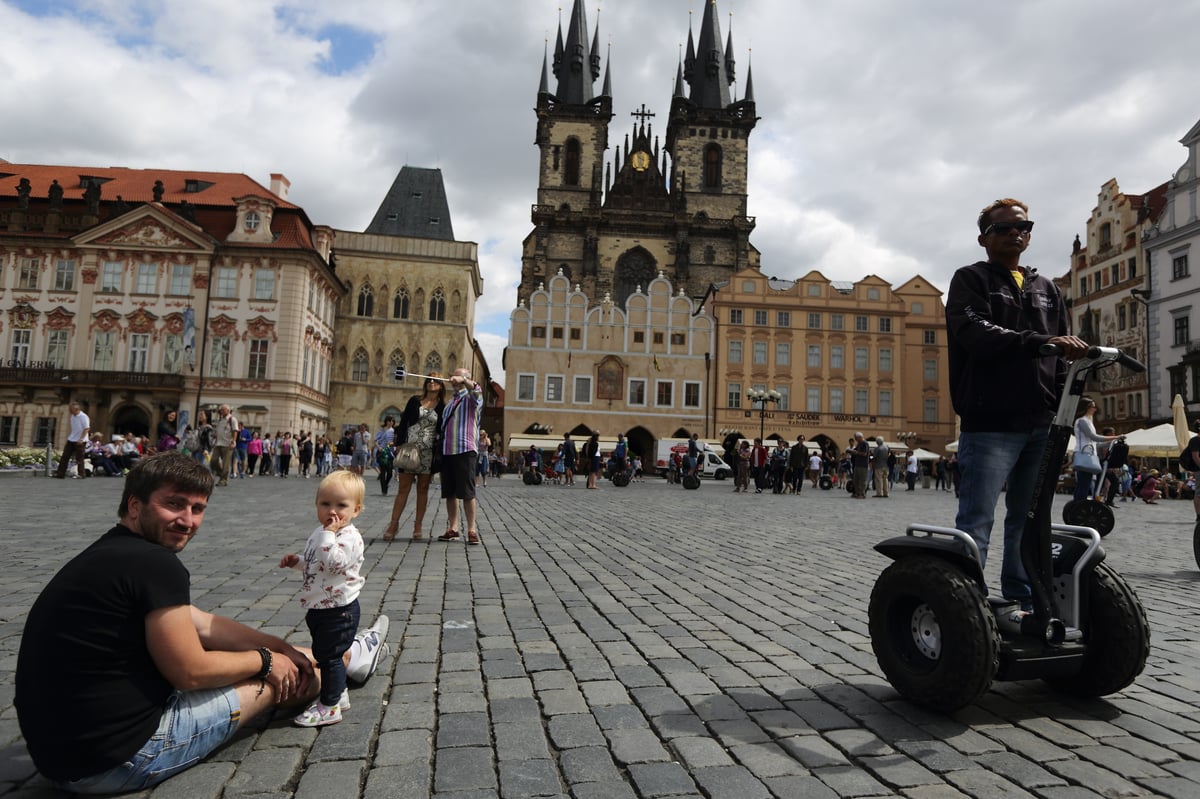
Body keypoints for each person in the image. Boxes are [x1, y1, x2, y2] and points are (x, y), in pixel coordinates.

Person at [15, 453, 392, 792]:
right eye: (174, 505)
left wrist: (279, 647)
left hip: (58, 757)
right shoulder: (154, 564)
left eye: (197, 508)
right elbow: (190, 673)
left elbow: (203, 624)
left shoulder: (110, 552)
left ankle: (346, 656)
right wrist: (268, 661)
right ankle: (344, 663)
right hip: (119, 760)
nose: (187, 520)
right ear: (134, 505)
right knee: (277, 678)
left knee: (276, 659)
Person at [945, 197, 1088, 612]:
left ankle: (1022, 599)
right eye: (1004, 228)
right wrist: (1039, 343)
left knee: (1029, 519)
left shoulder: (1047, 289)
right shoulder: (970, 279)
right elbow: (975, 333)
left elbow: (1065, 351)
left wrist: (1067, 401)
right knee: (977, 519)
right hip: (990, 419)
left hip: (1042, 421)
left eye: (1024, 227)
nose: (1016, 233)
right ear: (983, 238)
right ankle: (966, 601)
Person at [278, 472, 369, 727]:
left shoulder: (348, 537)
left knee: (329, 657)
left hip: (339, 610)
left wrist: (328, 535)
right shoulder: (321, 532)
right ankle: (338, 694)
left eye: (341, 506)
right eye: (325, 504)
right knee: (326, 653)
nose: (332, 512)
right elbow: (318, 564)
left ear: (356, 510)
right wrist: (298, 562)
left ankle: (329, 706)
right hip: (321, 606)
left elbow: (335, 564)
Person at [437, 369, 484, 545]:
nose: (454, 380)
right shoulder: (450, 403)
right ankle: (453, 528)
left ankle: (472, 530)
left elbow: (478, 390)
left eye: (459, 377)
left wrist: (463, 379)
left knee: (467, 493)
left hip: (465, 449)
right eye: (454, 377)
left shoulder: (471, 398)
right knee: (450, 493)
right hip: (448, 451)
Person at [1072, 398, 1120, 502]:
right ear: (1087, 408)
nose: (1095, 409)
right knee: (1083, 483)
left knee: (1085, 482)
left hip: (1088, 454)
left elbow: (1096, 444)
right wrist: (1115, 437)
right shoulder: (1082, 421)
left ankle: (1079, 504)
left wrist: (1111, 442)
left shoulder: (1088, 421)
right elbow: (1093, 437)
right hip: (1083, 453)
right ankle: (1079, 504)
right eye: (1093, 407)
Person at [53, 400, 91, 479]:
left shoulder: (83, 416)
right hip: (72, 438)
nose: (70, 411)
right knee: (65, 456)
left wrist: (81, 439)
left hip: (80, 440)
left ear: (76, 409)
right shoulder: (72, 416)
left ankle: (81, 474)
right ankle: (60, 473)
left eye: (71, 409)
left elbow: (86, 428)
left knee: (79, 458)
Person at [209, 404, 238, 487]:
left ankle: (223, 480)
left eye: (223, 410)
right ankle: (221, 473)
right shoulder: (220, 419)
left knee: (225, 463)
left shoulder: (232, 419)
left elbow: (235, 431)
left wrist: (233, 441)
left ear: (228, 411)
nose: (221, 411)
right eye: (221, 410)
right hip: (218, 443)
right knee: (213, 460)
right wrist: (215, 435)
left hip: (227, 444)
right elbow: (218, 430)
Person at [1101, 427, 1128, 507]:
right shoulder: (1106, 442)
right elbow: (1105, 454)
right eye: (1112, 433)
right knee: (1110, 482)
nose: (1114, 434)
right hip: (1103, 466)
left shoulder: (1111, 442)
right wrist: (1108, 467)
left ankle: (1108, 500)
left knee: (1114, 482)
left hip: (1106, 466)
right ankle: (1105, 500)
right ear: (1108, 434)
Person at [849, 432, 869, 499]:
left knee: (862, 480)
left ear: (860, 437)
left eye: (856, 438)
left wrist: (856, 452)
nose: (855, 440)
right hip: (857, 464)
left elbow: (865, 454)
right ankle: (857, 493)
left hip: (863, 465)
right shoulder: (859, 444)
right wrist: (851, 451)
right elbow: (856, 450)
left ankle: (862, 494)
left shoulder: (864, 443)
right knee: (856, 480)